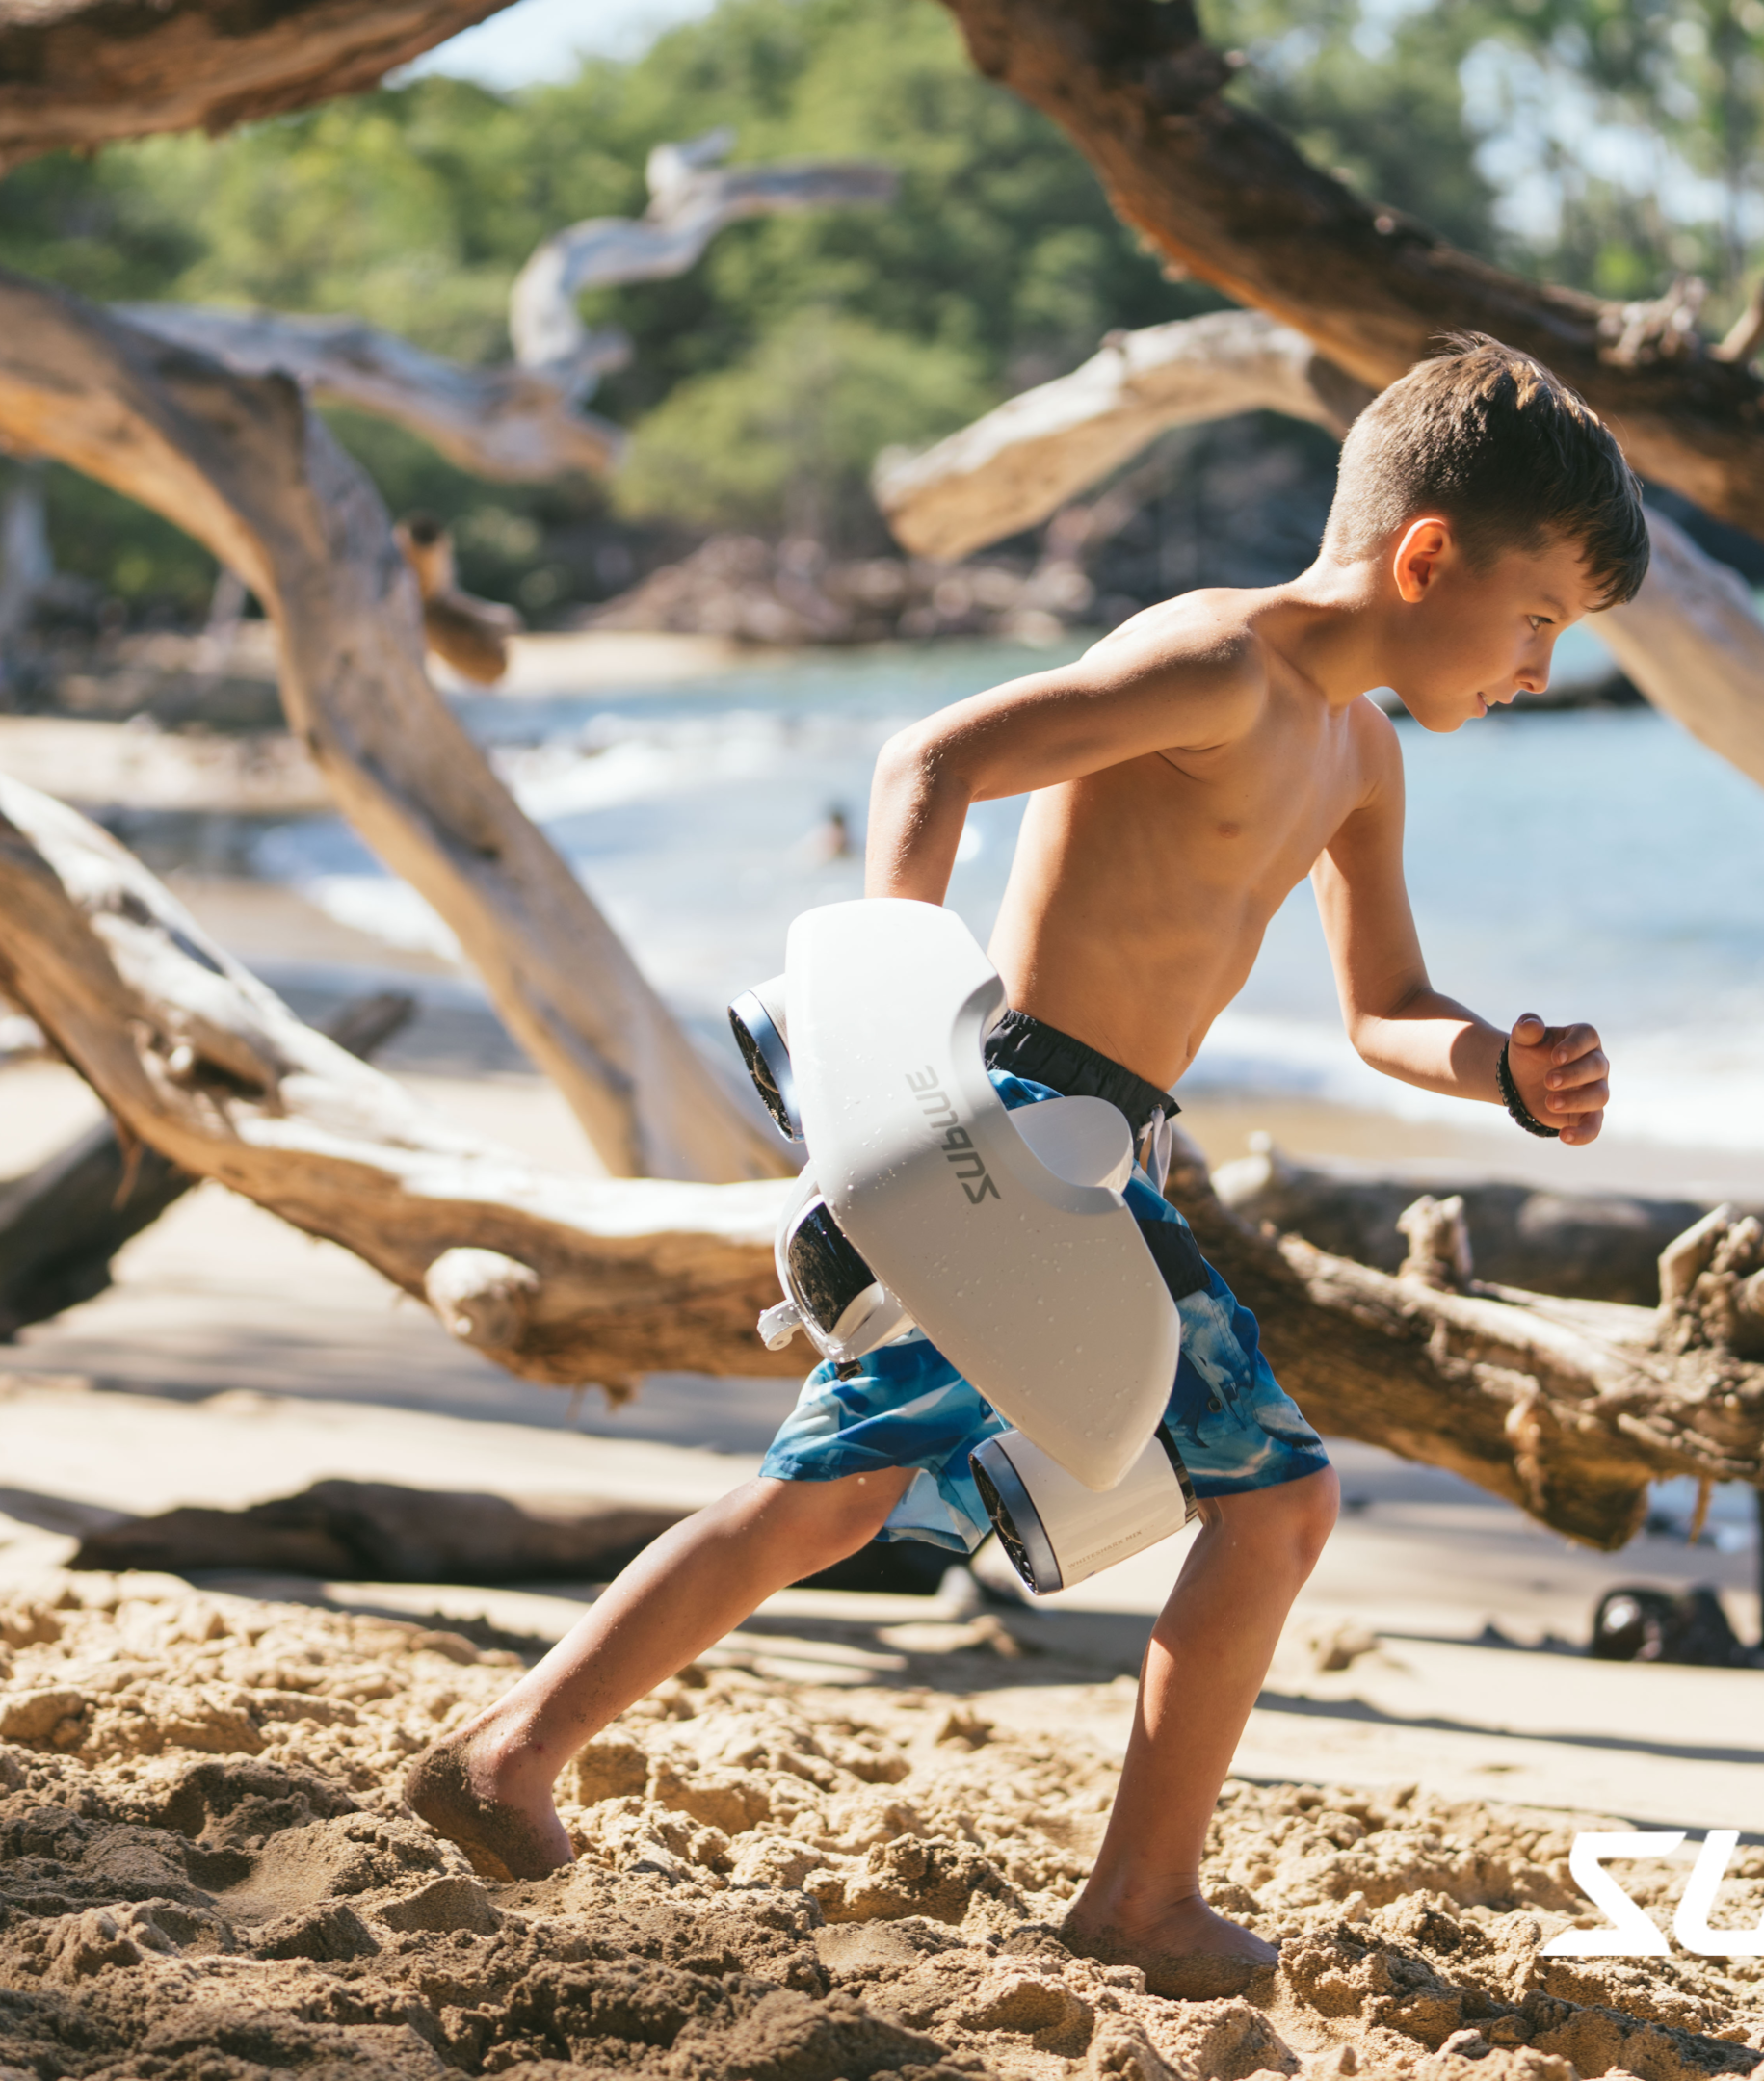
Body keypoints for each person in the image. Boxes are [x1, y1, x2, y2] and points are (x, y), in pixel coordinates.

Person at [405, 332, 1649, 1994]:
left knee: (839, 1497)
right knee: (1257, 1503)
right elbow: (934, 756)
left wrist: (1498, 1065)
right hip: (1003, 1125)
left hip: (1100, 1151)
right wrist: (886, 1058)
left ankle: (509, 1755)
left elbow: (1383, 1007)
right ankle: (1123, 1900)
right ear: (1425, 557)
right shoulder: (1215, 664)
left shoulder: (1360, 755)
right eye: (1539, 620)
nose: (1541, 668)